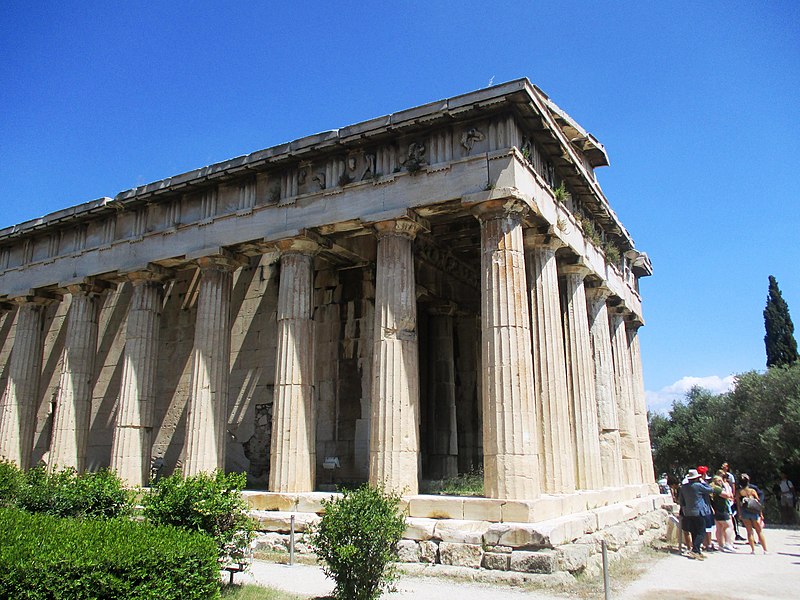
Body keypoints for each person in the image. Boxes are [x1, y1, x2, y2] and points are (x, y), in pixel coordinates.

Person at [678, 468, 713, 560]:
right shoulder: (698, 486)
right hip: (699, 511)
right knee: (701, 532)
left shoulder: (683, 487)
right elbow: (710, 490)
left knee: (694, 531)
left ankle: (697, 551)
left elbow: (681, 501)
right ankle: (695, 550)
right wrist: (703, 482)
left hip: (688, 512)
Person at [738, 473, 768, 554]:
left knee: (749, 531)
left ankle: (753, 550)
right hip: (754, 511)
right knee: (759, 530)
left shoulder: (739, 492)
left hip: (744, 511)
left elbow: (738, 504)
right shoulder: (752, 491)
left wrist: (740, 514)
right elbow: (758, 503)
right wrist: (761, 513)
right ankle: (765, 550)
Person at [711, 475, 735, 552]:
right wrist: (726, 486)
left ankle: (721, 545)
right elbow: (728, 495)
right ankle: (728, 543)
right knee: (729, 526)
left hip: (716, 510)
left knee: (719, 528)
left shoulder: (712, 489)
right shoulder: (717, 489)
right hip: (722, 510)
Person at [721, 462, 743, 540]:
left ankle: (737, 533)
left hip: (730, 497)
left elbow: (733, 486)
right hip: (724, 496)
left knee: (733, 515)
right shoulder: (719, 475)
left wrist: (733, 496)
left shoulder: (730, 476)